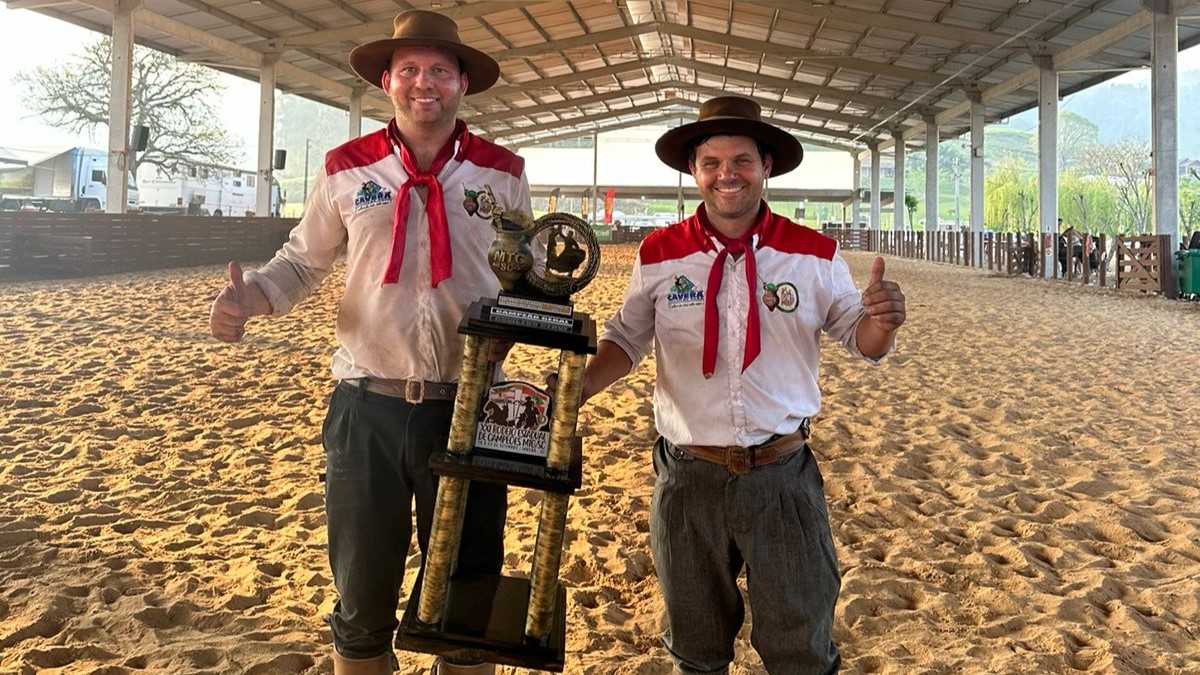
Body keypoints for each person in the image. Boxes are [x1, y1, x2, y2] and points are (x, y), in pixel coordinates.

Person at [208, 10, 531, 675]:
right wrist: (255, 298)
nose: (424, 83)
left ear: (462, 83)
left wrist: (516, 324)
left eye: (440, 70)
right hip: (365, 407)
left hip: (469, 409)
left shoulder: (502, 174)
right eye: (409, 69)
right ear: (386, 80)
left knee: (467, 599)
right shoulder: (346, 167)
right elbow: (300, 263)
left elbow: (522, 274)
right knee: (360, 600)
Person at [574, 96, 906, 674]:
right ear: (694, 170)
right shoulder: (659, 254)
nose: (727, 174)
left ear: (767, 166)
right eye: (712, 162)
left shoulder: (813, 254)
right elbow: (626, 339)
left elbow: (863, 342)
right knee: (696, 651)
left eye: (742, 160)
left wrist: (881, 320)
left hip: (782, 477)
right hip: (686, 477)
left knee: (800, 648)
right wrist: (575, 389)